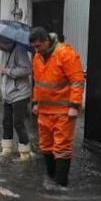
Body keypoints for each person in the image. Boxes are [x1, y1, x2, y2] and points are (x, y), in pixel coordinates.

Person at [29, 27, 85, 187]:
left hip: (63, 111)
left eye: (38, 46)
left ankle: (61, 186)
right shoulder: (37, 57)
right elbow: (38, 83)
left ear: (47, 41)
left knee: (61, 148)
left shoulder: (65, 54)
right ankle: (51, 179)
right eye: (33, 47)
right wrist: (35, 103)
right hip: (44, 111)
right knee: (45, 146)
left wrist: (74, 105)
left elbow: (77, 80)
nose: (35, 50)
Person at [0, 37, 32, 161]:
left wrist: (8, 71)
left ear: (6, 42)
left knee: (18, 123)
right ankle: (7, 149)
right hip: (8, 94)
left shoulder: (20, 50)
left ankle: (25, 152)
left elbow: (27, 69)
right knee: (6, 121)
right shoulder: (5, 52)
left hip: (19, 94)